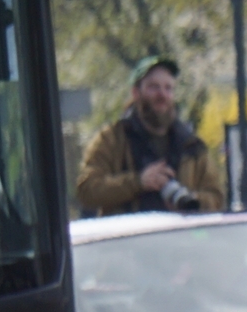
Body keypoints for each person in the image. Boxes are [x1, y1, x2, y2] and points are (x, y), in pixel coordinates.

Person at [76, 56, 225, 217]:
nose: (162, 95)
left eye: (168, 88)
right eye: (153, 87)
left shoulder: (192, 145)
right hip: (128, 239)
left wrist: (189, 202)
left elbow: (217, 198)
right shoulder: (111, 139)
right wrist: (138, 182)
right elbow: (87, 190)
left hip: (181, 240)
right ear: (135, 93)